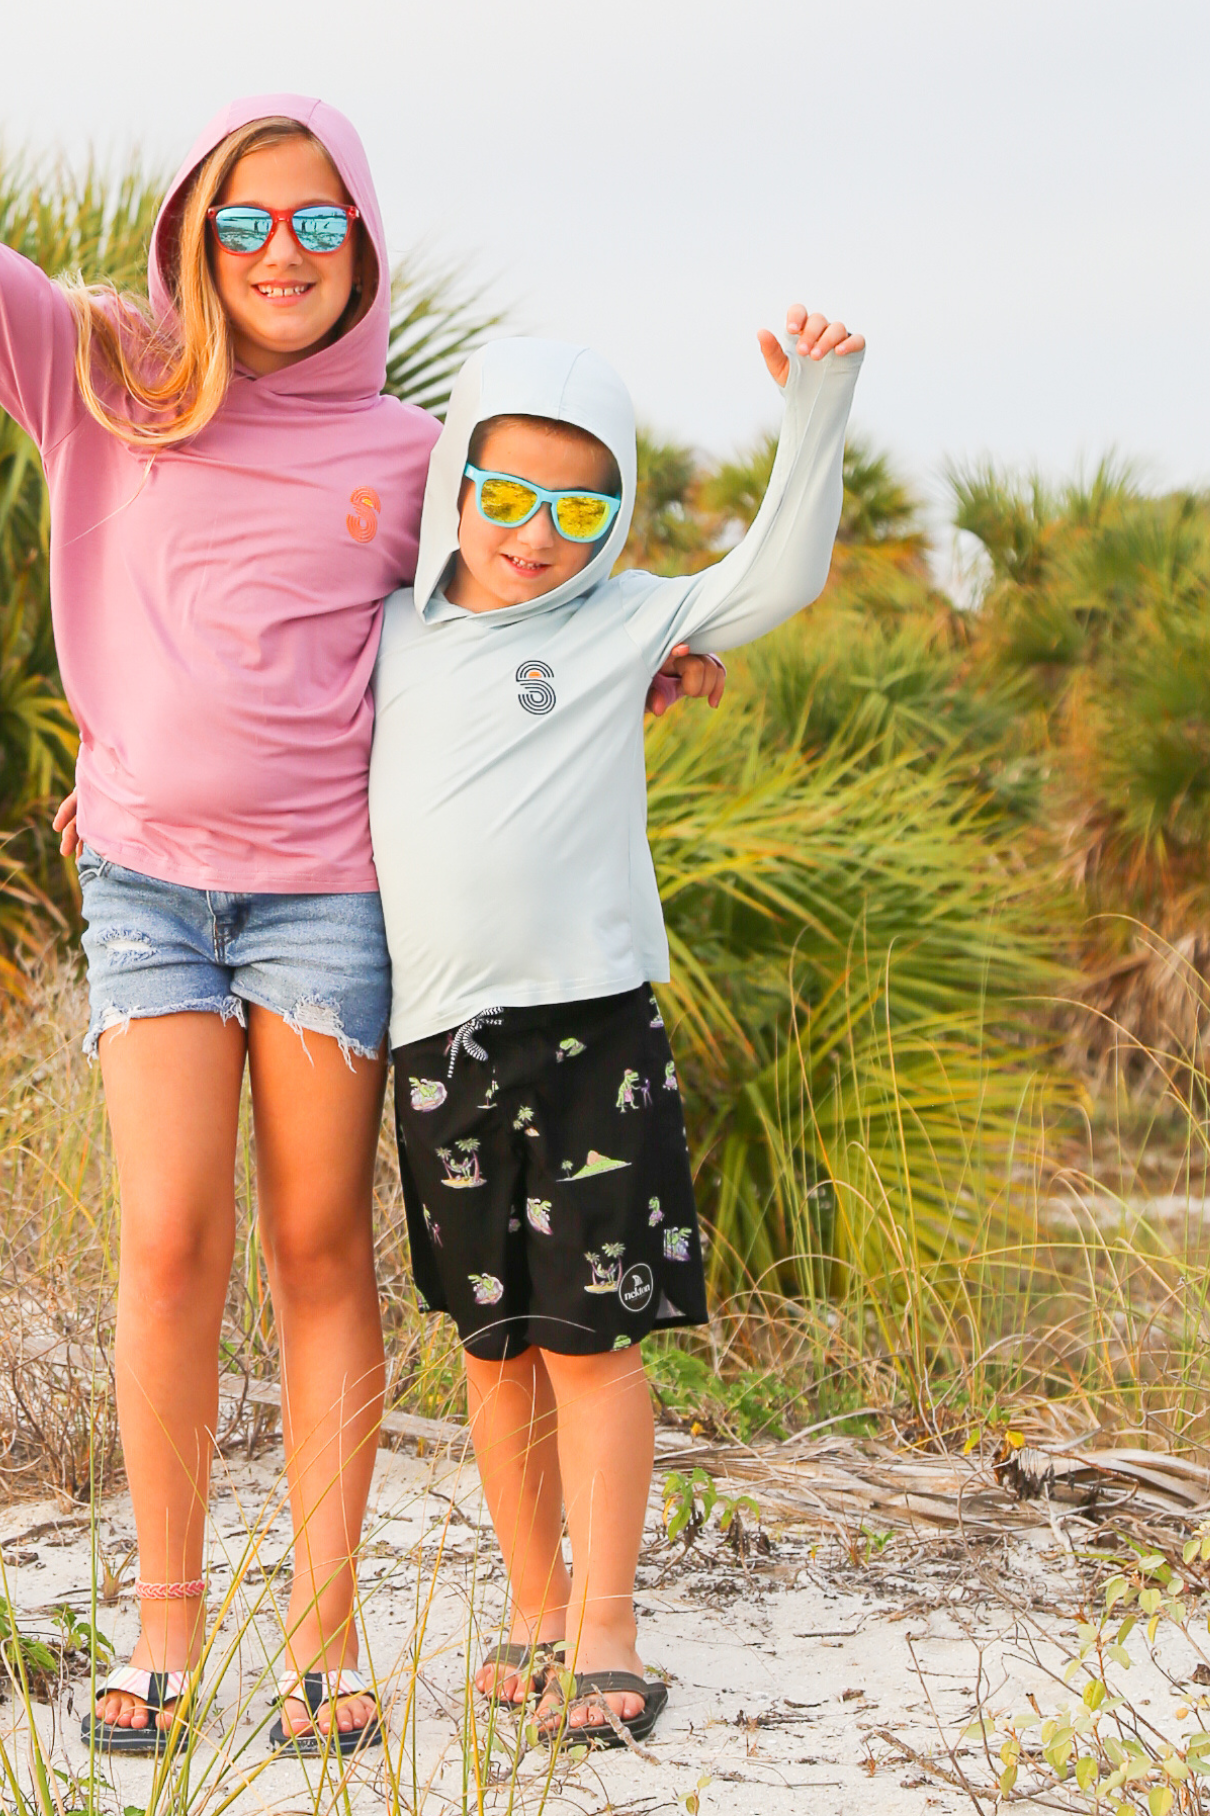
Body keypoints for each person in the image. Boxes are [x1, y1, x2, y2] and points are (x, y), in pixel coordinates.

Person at [0, 0, 720, 1756]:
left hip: (331, 899)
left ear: (360, 239)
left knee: (321, 1246)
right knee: (169, 1244)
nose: (279, 246)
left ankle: (322, 1638)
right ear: (198, 231)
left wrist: (649, 664)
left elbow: (525, 596)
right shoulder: (98, 371)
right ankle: (166, 1627)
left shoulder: (413, 455)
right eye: (245, 217)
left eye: (315, 215)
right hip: (150, 887)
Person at [367, 309, 863, 1746]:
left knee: (593, 1343)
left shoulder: (625, 617)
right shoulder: (392, 627)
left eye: (579, 508)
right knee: (491, 1345)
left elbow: (775, 580)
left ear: (618, 514)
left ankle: (605, 1624)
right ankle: (530, 1600)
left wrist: (816, 408)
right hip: (442, 1041)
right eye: (507, 497)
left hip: (594, 1035)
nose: (535, 535)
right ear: (456, 481)